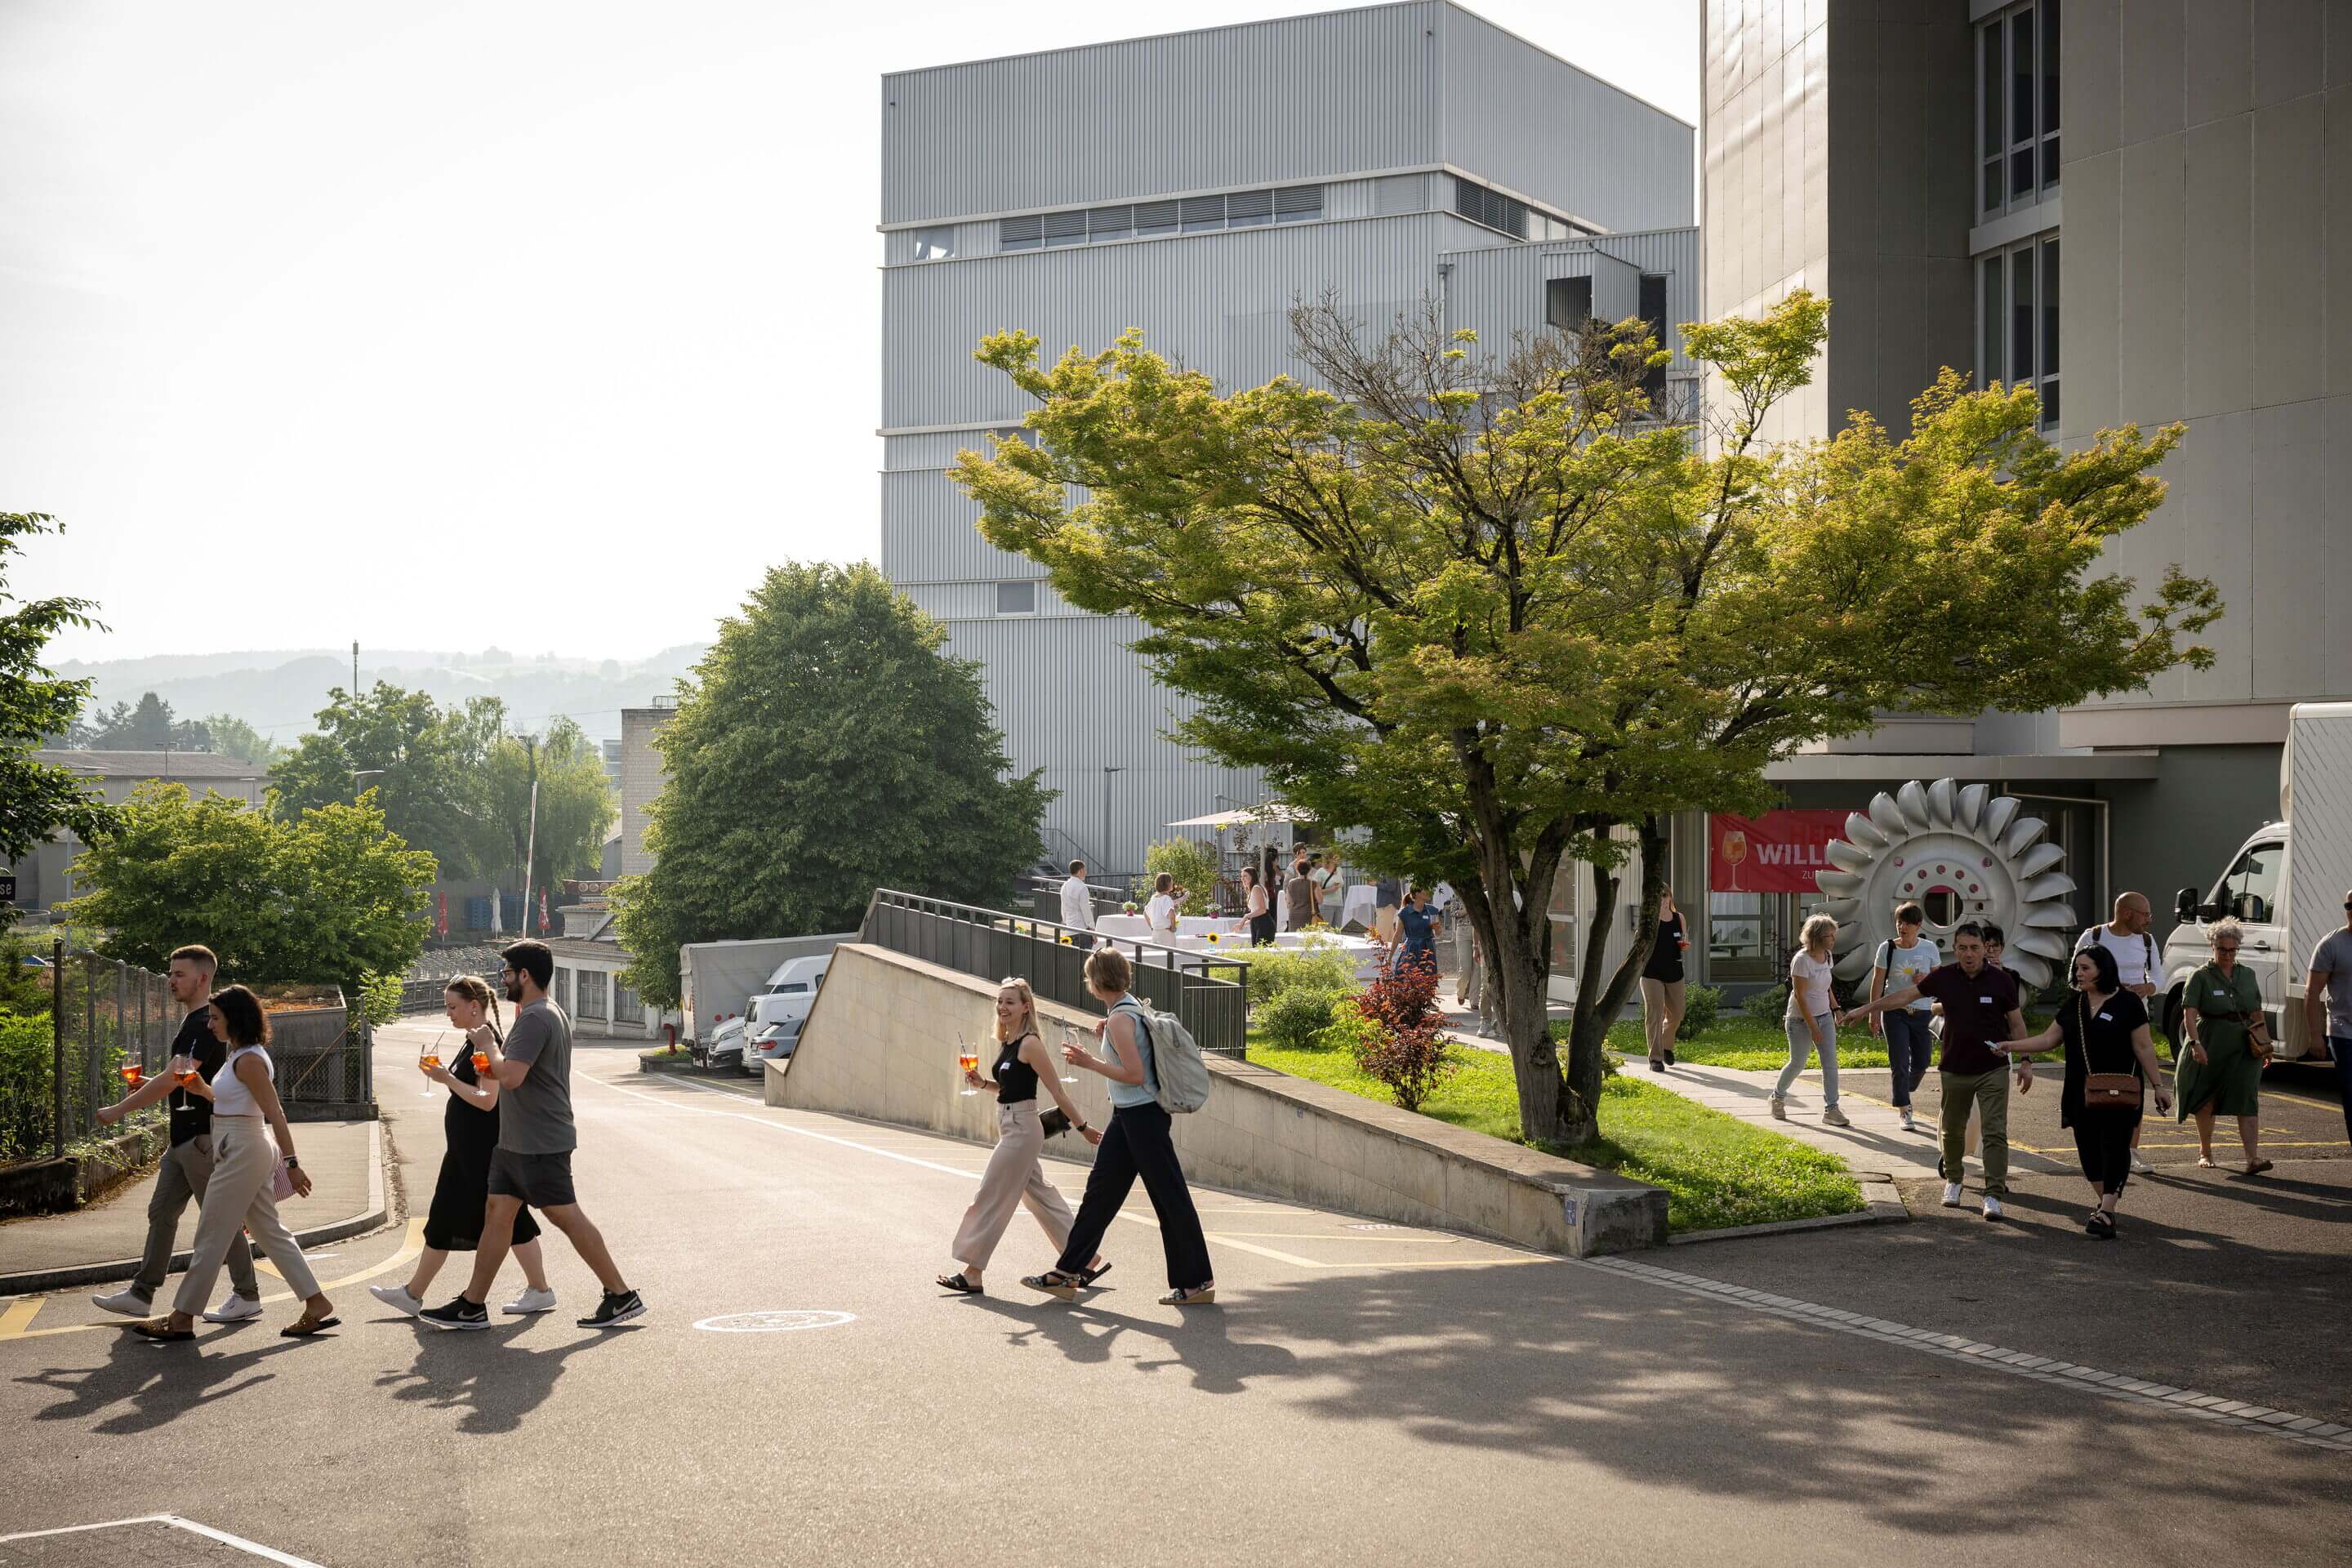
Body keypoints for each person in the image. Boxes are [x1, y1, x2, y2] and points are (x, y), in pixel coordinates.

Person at [420, 939, 647, 1330]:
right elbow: (511, 1074)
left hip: (539, 1141)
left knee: (566, 1216)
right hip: (515, 1142)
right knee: (497, 1215)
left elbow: (511, 1076)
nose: (503, 979)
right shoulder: (541, 1013)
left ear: (524, 975)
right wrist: (488, 1063)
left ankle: (621, 1294)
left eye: (507, 972)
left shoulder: (536, 1018)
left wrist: (488, 1045)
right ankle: (472, 1305)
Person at [122, 985, 339, 1340]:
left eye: (215, 1018)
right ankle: (316, 1303)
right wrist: (201, 1090)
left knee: (211, 1233)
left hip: (243, 1148)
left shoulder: (249, 1059)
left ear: (235, 1019)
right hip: (239, 1145)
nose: (209, 1024)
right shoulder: (239, 1053)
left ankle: (181, 1317)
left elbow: (275, 1113)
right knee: (269, 1232)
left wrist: (293, 1164)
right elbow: (230, 1101)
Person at [1022, 946, 1214, 1306]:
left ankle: (1196, 1282)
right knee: (1099, 1194)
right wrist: (1107, 1036)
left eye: (1088, 977)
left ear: (1097, 981)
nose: (1087, 983)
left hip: (1143, 1118)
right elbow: (1133, 1054)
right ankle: (1068, 1272)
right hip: (1128, 1117)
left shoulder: (1121, 1018)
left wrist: (1089, 1062)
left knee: (1169, 1197)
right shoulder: (1124, 1011)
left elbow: (1135, 1074)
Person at [89, 944, 263, 1324]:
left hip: (200, 1140)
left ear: (203, 978)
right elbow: (180, 1079)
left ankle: (247, 1294)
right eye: (170, 973)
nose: (171, 980)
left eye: (179, 974)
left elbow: (175, 1078)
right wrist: (151, 1083)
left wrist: (119, 1110)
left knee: (220, 1219)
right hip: (183, 1140)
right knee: (162, 1212)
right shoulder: (195, 1021)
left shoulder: (204, 1023)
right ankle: (141, 1295)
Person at [370, 976, 556, 1319]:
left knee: (454, 1217)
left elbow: (487, 1100)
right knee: (511, 1222)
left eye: (452, 1007)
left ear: (474, 1006)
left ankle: (414, 1294)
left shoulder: (485, 1045)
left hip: (478, 1152)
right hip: (467, 1150)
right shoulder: (473, 1041)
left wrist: (446, 1078)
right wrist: (447, 1077)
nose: (448, 1013)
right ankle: (540, 1289)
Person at [1843, 922, 2028, 1219]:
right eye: (1962, 948)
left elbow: (2017, 1023)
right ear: (1954, 949)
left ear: (1984, 949)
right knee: (1952, 1131)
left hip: (1993, 1068)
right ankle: (1954, 1180)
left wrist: (2026, 1061)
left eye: (1975, 948)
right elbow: (1904, 996)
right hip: (1955, 1068)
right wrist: (1867, 1009)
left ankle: (1993, 1194)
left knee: (1995, 1132)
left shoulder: (2002, 980)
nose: (1969, 954)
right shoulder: (1944, 977)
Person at [936, 978, 1107, 1294]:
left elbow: (1057, 1092)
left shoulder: (1030, 1044)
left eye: (1010, 1002)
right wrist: (983, 1084)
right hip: (1010, 1123)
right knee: (1041, 1196)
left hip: (1022, 1128)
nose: (1002, 1007)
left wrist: (1083, 1128)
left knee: (990, 1196)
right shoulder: (1009, 1042)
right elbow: (1009, 1089)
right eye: (1000, 1001)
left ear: (1025, 1007)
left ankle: (973, 1272)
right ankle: (1085, 1258)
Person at [1998, 944, 2173, 1238]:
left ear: (2103, 970)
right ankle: (2106, 1205)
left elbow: (2144, 1047)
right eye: (2077, 968)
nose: (2078, 973)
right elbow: (2048, 1040)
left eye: (2085, 968)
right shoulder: (2074, 1005)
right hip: (2080, 1091)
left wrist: (2158, 1086)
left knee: (2116, 1147)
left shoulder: (2128, 1003)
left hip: (2120, 1091)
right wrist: (2010, 1046)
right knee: (2088, 1151)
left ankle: (2106, 1211)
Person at [2173, 917, 2270, 1174]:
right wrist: (2195, 1044)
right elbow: (2189, 1015)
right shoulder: (2199, 977)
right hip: (2211, 1041)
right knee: (2207, 1099)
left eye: (2232, 950)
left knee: (2247, 1097)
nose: (2227, 955)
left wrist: (2265, 1044)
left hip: (2245, 1045)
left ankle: (2252, 1158)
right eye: (2222, 949)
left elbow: (2256, 1012)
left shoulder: (2247, 975)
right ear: (2212, 947)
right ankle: (2205, 1151)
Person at [2075, 892, 2162, 1174]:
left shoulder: (2147, 941)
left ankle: (2131, 1151)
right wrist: (2109, 989)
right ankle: (2100, 1146)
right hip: (2099, 1022)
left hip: (2134, 1022)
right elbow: (2074, 978)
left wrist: (2148, 988)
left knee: (2133, 1085)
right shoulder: (2094, 937)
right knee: (2097, 1082)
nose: (2148, 920)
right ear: (2127, 913)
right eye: (2145, 914)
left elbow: (2159, 977)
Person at [1771, 914, 1849, 1127]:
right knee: (1798, 1063)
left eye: (1834, 935)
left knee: (1830, 1063)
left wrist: (1836, 1009)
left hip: (1825, 1016)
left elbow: (1826, 986)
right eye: (1829, 935)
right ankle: (1777, 1097)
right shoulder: (1802, 961)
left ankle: (1832, 1110)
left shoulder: (1827, 956)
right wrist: (1813, 1027)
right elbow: (1800, 996)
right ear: (1816, 937)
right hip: (1799, 1020)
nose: (1833, 939)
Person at [1867, 904, 1940, 1131]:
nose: (1902, 927)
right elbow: (1878, 981)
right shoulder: (1887, 948)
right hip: (1894, 1012)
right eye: (1899, 922)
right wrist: (1874, 1012)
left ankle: (1904, 1089)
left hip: (1922, 1012)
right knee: (1899, 1061)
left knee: (1923, 1061)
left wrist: (1926, 979)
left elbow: (1940, 979)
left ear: (1918, 926)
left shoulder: (1929, 948)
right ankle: (1904, 1109)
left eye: (1907, 923)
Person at [2302, 889, 2352, 1149]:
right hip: (2344, 1034)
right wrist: (2315, 1035)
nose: (2351, 912)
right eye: (2349, 907)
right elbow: (2312, 992)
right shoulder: (2331, 944)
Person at [1640, 890, 1690, 1072]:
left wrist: (1684, 945)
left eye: (1665, 895)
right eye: (1659, 896)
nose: (1663, 899)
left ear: (1670, 897)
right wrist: (1656, 917)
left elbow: (1683, 939)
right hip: (1651, 973)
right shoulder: (1649, 920)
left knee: (1678, 1013)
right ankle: (1655, 1059)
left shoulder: (1679, 918)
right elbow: (1641, 941)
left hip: (1674, 971)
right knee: (1655, 1014)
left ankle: (1666, 1046)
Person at [1391, 885, 1440, 978]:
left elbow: (1438, 933)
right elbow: (1397, 935)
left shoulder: (1432, 910)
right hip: (1411, 949)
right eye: (1426, 889)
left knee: (1429, 978)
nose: (1429, 892)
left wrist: (1437, 928)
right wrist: (1389, 957)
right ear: (1417, 894)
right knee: (1409, 977)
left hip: (1428, 949)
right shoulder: (1404, 913)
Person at [1059, 859, 1094, 947]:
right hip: (1081, 929)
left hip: (1069, 928)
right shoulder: (1082, 888)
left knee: (1071, 955)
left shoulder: (1065, 886)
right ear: (1080, 871)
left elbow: (1063, 908)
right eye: (1085, 870)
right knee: (1085, 955)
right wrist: (1092, 931)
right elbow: (1086, 910)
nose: (1086, 873)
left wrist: (1065, 921)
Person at [1283, 857, 1320, 933]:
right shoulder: (1313, 883)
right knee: (1308, 937)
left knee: (1294, 937)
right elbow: (1320, 900)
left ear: (1297, 869)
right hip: (1309, 914)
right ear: (1309, 869)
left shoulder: (1291, 883)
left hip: (1294, 914)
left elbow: (1288, 900)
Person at [1144, 872, 1184, 941]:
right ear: (1167, 884)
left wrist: (1152, 927)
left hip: (1155, 933)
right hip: (1166, 933)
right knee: (1169, 948)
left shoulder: (1153, 898)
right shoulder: (1166, 898)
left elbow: (1145, 913)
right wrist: (1173, 928)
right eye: (1171, 881)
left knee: (1155, 948)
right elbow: (1172, 914)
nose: (1172, 883)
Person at [1241, 866, 1275, 947]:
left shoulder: (1256, 888)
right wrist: (1247, 922)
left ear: (1252, 877)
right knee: (1256, 948)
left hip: (1264, 923)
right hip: (1257, 922)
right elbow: (1256, 911)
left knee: (1261, 949)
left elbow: (1263, 910)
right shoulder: (1253, 889)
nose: (1242, 879)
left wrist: (1246, 916)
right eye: (1242, 876)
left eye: (1245, 876)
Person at [1313, 852, 1344, 926]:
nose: (1339, 859)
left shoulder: (1339, 870)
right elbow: (1316, 890)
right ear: (1330, 860)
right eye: (1336, 858)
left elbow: (1340, 884)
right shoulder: (1321, 871)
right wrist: (1331, 889)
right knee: (1325, 929)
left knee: (1337, 930)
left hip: (1339, 904)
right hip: (1326, 904)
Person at [1373, 874, 1403, 945]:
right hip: (1387, 904)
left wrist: (1376, 883)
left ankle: (1382, 950)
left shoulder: (1389, 871)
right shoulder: (1386, 871)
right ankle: (1390, 950)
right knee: (1389, 934)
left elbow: (1391, 886)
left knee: (1382, 934)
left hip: (1387, 904)